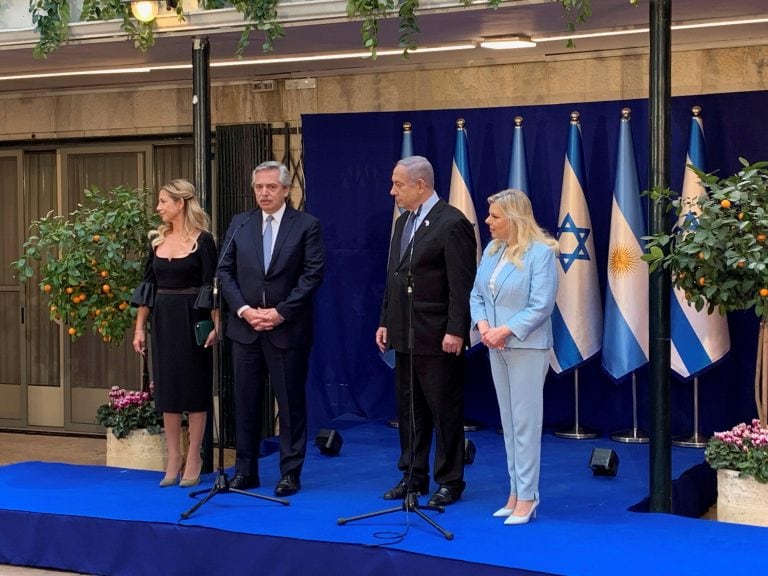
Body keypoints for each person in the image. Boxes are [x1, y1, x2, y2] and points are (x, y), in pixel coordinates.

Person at [218, 160, 324, 496]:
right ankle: (245, 471)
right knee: (246, 403)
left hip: (286, 330)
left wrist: (280, 312)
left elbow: (312, 275)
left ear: (285, 190)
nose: (264, 193)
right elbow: (225, 272)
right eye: (259, 187)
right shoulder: (240, 224)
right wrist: (245, 310)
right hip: (245, 329)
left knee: (290, 404)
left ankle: (290, 472)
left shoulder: (306, 225)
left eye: (271, 187)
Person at [376, 155, 477, 507]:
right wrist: (385, 319)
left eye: (398, 184)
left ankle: (450, 480)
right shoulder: (403, 223)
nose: (393, 191)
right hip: (405, 334)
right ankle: (412, 476)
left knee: (443, 410)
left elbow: (461, 285)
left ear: (421, 185)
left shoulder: (452, 223)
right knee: (409, 410)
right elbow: (394, 276)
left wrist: (456, 330)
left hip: (438, 336)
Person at [470, 189, 558, 525]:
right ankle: (514, 491)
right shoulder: (492, 250)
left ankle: (528, 496)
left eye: (495, 216)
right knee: (508, 423)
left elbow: (541, 305)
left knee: (525, 423)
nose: (488, 221)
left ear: (515, 218)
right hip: (496, 345)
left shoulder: (541, 253)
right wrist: (483, 326)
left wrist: (504, 330)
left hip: (526, 347)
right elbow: (477, 294)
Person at [131, 179, 218, 488]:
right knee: (167, 391)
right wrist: (140, 327)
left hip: (193, 317)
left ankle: (195, 456)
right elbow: (147, 288)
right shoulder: (156, 241)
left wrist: (216, 326)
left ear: (181, 203)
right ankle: (173, 458)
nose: (158, 207)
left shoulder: (203, 240)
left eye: (164, 201)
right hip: (164, 320)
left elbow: (211, 285)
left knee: (194, 389)